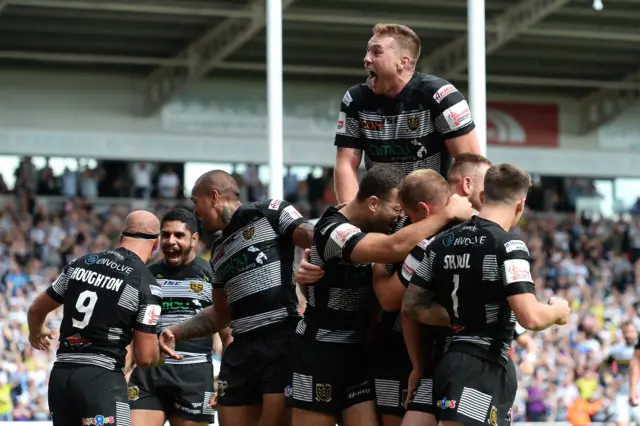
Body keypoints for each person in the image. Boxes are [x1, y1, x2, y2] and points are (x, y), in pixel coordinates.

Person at [295, 154, 492, 426]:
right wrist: (447, 213)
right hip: (319, 351)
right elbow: (393, 251)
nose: (400, 218)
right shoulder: (333, 229)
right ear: (374, 204)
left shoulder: (391, 222)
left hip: (361, 353)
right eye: (397, 210)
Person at [402, 163, 571, 426]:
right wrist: (558, 311)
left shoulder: (441, 242)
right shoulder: (509, 245)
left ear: (482, 197)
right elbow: (531, 317)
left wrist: (462, 316)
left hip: (447, 361)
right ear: (521, 205)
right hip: (482, 367)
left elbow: (412, 305)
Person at [179, 170, 314, 426]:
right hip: (240, 350)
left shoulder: (269, 211)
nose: (194, 212)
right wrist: (175, 332)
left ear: (214, 197)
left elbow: (312, 236)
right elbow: (220, 315)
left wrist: (337, 235)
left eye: (195, 202)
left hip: (280, 340)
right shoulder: (218, 250)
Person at [27, 210, 166, 426]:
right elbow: (146, 358)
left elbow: (36, 309)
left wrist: (36, 331)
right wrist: (161, 353)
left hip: (61, 377)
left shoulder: (80, 263)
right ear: (156, 245)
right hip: (102, 380)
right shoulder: (146, 285)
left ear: (121, 238)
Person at [334, 23, 480, 203]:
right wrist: (350, 221)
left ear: (403, 62)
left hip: (432, 209)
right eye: (367, 51)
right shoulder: (354, 99)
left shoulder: (442, 96)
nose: (366, 59)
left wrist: (460, 219)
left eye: (376, 52)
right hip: (381, 212)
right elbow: (346, 164)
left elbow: (472, 166)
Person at [129, 208, 231, 426]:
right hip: (149, 375)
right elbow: (131, 331)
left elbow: (228, 336)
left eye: (179, 235)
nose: (170, 241)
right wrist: (124, 370)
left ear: (194, 239)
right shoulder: (145, 275)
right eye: (165, 235)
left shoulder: (213, 275)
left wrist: (225, 383)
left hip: (194, 377)